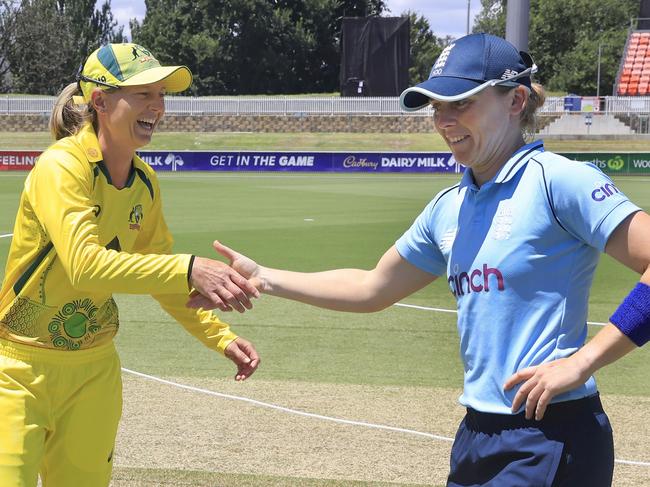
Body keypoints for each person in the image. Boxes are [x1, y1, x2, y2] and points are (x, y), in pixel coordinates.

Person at [189, 33, 650, 486]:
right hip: (477, 433)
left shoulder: (558, 182)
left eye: (461, 103)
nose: (445, 120)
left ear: (516, 102)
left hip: (553, 433)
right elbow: (372, 288)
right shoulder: (449, 205)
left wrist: (583, 361)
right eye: (437, 107)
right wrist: (264, 277)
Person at [0, 43, 261, 487]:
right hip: (17, 369)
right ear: (100, 101)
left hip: (94, 372)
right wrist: (188, 267)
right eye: (143, 93)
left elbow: (160, 273)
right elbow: (85, 265)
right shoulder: (62, 165)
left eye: (161, 94)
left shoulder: (145, 182)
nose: (157, 106)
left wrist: (220, 337)